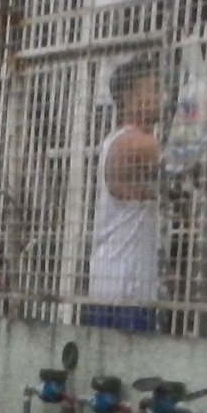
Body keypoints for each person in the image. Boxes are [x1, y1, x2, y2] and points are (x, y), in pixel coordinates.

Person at [85, 55, 163, 334]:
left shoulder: (122, 142)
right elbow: (182, 156)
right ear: (130, 96)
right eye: (153, 88)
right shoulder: (130, 142)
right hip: (121, 291)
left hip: (128, 287)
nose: (161, 96)